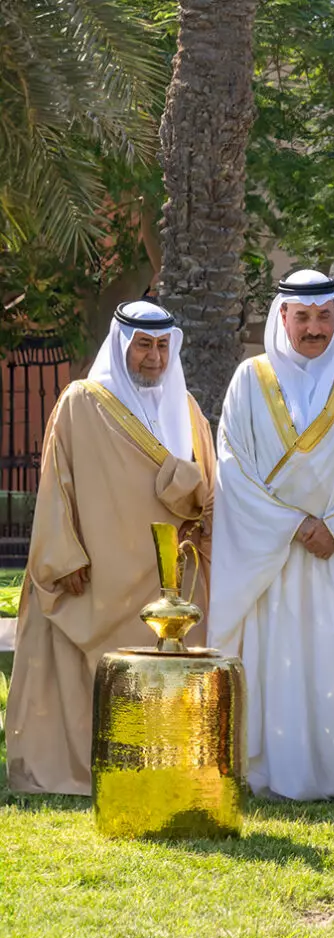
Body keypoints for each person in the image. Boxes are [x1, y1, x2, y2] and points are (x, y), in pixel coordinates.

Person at [5, 302, 215, 796]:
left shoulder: (186, 410)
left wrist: (201, 523)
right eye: (143, 345)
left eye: (163, 346)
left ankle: (160, 768)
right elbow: (57, 482)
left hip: (167, 576)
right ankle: (88, 770)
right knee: (88, 673)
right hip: (96, 571)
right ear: (122, 346)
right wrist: (64, 554)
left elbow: (208, 485)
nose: (154, 358)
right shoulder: (81, 402)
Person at [210, 269, 334, 801]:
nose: (313, 328)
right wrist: (293, 525)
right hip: (273, 561)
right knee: (272, 667)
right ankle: (267, 773)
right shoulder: (249, 378)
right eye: (302, 317)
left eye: (323, 316)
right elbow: (232, 467)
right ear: (281, 317)